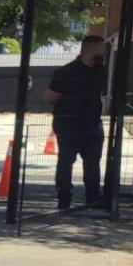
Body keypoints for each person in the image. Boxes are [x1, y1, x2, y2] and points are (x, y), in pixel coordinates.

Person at [43, 34, 108, 210]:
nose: (104, 52)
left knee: (92, 162)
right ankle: (64, 198)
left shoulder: (100, 71)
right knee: (66, 161)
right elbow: (50, 97)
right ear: (91, 48)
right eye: (102, 48)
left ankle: (93, 197)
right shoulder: (66, 72)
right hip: (68, 124)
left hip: (91, 123)